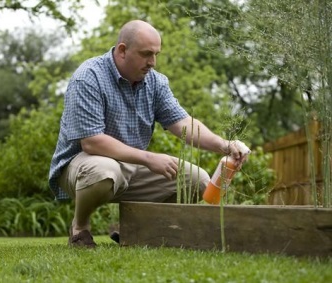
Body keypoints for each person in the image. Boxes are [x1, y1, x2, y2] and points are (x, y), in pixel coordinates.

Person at [48, 19, 249, 248]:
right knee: (105, 170)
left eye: (156, 54)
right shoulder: (89, 77)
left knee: (196, 180)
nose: (152, 62)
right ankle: (80, 228)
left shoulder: (155, 82)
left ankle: (138, 229)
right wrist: (149, 158)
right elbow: (92, 142)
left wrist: (225, 145)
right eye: (146, 54)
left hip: (132, 166)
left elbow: (183, 123)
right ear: (123, 50)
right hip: (81, 166)